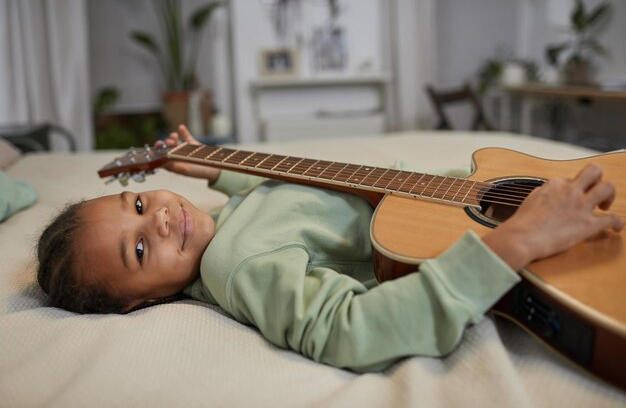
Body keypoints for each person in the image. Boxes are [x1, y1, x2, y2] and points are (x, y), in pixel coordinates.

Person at [37, 125, 623, 372]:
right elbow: (351, 329)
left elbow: (288, 200)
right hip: (504, 238)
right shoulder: (237, 267)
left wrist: (220, 167)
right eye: (138, 252)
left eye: (139, 205)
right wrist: (519, 238)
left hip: (471, 195)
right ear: (136, 305)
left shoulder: (227, 224)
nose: (160, 222)